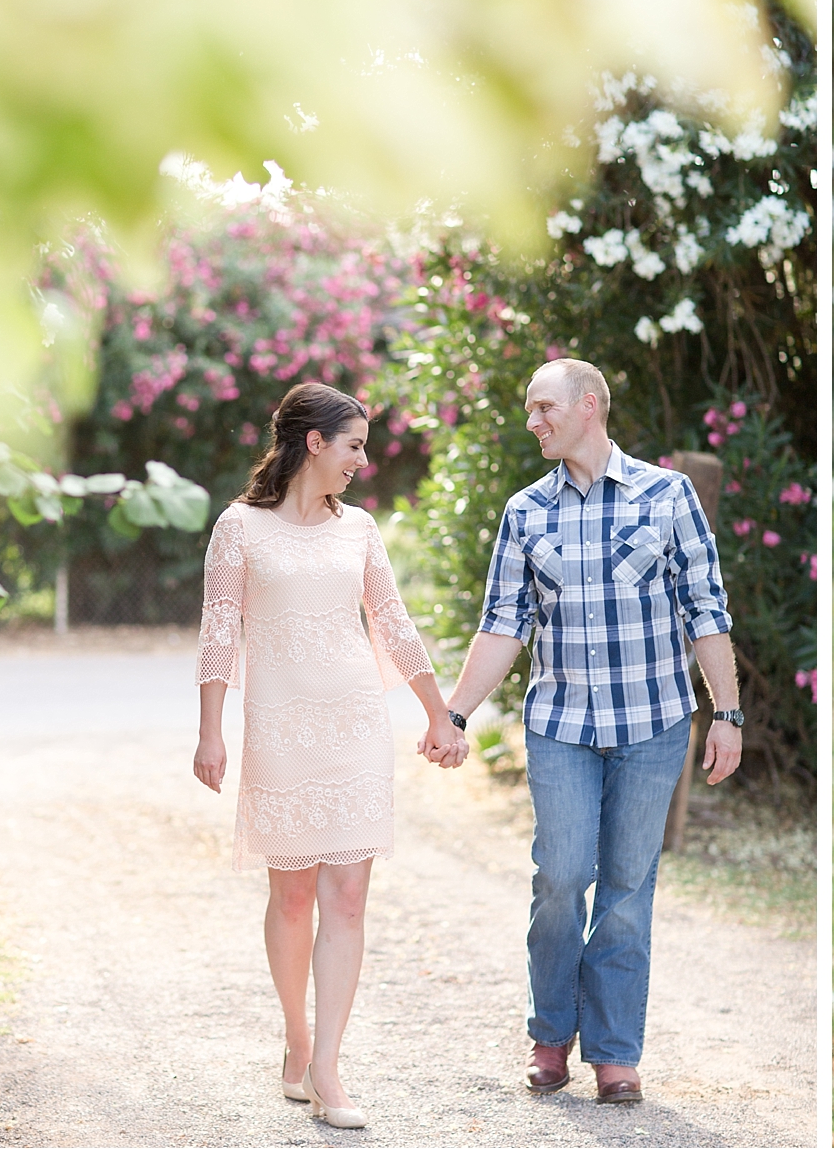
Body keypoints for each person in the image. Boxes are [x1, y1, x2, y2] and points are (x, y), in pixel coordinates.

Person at [432, 357, 742, 1105]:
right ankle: (550, 1036)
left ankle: (614, 1053)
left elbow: (706, 611)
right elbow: (503, 626)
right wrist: (455, 712)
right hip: (561, 725)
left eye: (543, 408)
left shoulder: (668, 496)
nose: (532, 421)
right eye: (530, 410)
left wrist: (726, 713)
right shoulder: (525, 512)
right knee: (562, 878)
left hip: (652, 722)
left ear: (589, 406)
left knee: (629, 889)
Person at [193, 382, 466, 1129]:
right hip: (279, 728)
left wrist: (439, 714)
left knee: (348, 897)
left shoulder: (361, 530)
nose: (362, 459)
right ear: (313, 442)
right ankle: (297, 1036)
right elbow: (219, 630)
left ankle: (328, 1070)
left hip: (354, 726)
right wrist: (210, 729)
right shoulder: (239, 529)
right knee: (293, 897)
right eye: (353, 445)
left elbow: (394, 623)